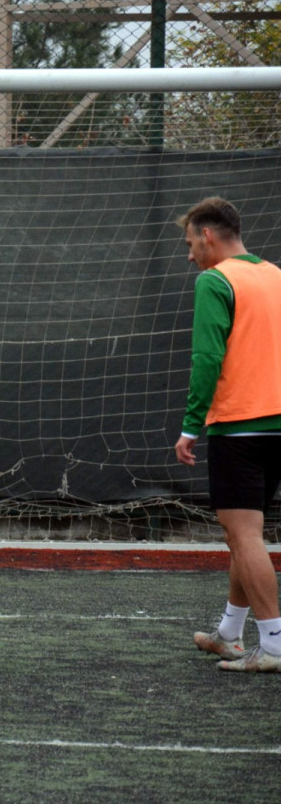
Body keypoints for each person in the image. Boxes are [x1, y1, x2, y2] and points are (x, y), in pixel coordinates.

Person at [174, 197, 281, 673]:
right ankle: (229, 632)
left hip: (241, 427)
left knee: (244, 535)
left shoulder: (214, 280)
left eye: (190, 242)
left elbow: (207, 361)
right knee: (244, 536)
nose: (190, 253)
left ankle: (274, 647)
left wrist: (189, 426)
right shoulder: (276, 275)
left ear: (208, 235)